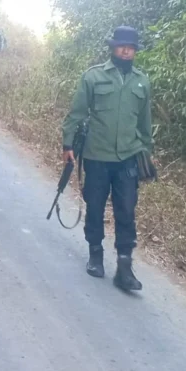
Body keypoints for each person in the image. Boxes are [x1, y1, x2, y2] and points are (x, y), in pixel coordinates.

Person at [61, 26, 152, 292]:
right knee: (96, 205)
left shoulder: (141, 82)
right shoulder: (93, 77)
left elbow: (145, 122)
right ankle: (95, 253)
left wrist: (146, 152)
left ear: (135, 50)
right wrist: (68, 144)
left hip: (128, 157)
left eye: (131, 47)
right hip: (97, 155)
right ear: (113, 47)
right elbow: (76, 112)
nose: (126, 50)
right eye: (122, 46)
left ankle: (124, 267)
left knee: (126, 210)